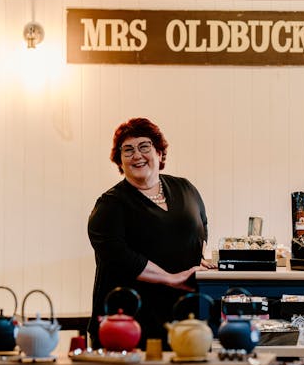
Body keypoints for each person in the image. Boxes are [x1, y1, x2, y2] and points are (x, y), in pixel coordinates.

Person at [87, 117, 215, 349]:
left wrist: (201, 258)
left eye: (144, 146)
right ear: (120, 161)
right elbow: (117, 256)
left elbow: (202, 227)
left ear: (159, 153)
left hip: (183, 316)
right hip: (129, 321)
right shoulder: (110, 204)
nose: (137, 155)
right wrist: (170, 278)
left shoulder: (185, 188)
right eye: (128, 150)